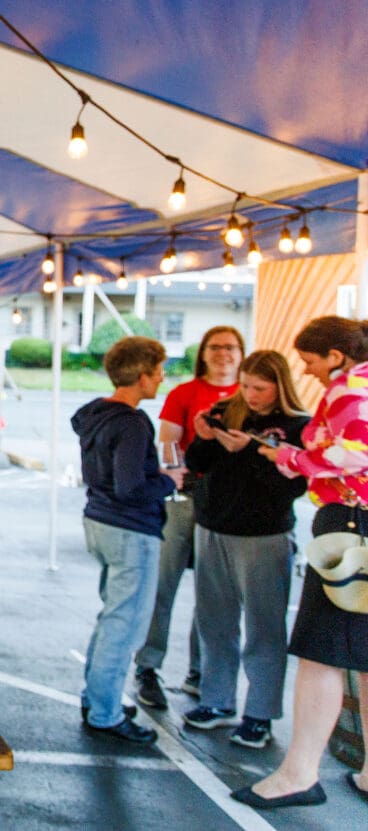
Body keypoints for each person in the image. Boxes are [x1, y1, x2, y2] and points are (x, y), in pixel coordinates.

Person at [234, 316, 368, 809]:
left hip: (351, 526)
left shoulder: (353, 389)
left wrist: (292, 459)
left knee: (321, 653)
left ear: (337, 355)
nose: (307, 372)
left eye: (311, 361)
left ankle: (299, 772)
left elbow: (354, 455)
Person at [181, 351, 308, 748]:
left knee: (264, 626)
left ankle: (260, 713)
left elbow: (292, 487)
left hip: (264, 535)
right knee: (214, 621)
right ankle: (217, 700)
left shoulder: (297, 426)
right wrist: (205, 439)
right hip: (213, 526)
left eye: (260, 388)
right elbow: (197, 464)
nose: (250, 395)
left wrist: (251, 453)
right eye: (246, 385)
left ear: (280, 386)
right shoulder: (226, 411)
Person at [71, 336, 176, 745]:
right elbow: (130, 486)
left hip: (98, 522)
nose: (162, 380)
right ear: (143, 376)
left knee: (111, 616)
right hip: (131, 529)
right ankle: (105, 712)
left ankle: (98, 696)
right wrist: (168, 481)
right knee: (125, 624)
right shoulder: (132, 422)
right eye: (160, 373)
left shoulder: (95, 416)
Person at [134, 326, 244, 710]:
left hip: (231, 507)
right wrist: (176, 479)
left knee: (214, 596)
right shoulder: (186, 393)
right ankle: (148, 666)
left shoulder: (250, 395)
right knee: (163, 584)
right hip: (186, 500)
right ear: (203, 353)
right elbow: (167, 442)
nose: (223, 354)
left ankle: (202, 672)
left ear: (241, 353)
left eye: (230, 347)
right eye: (215, 347)